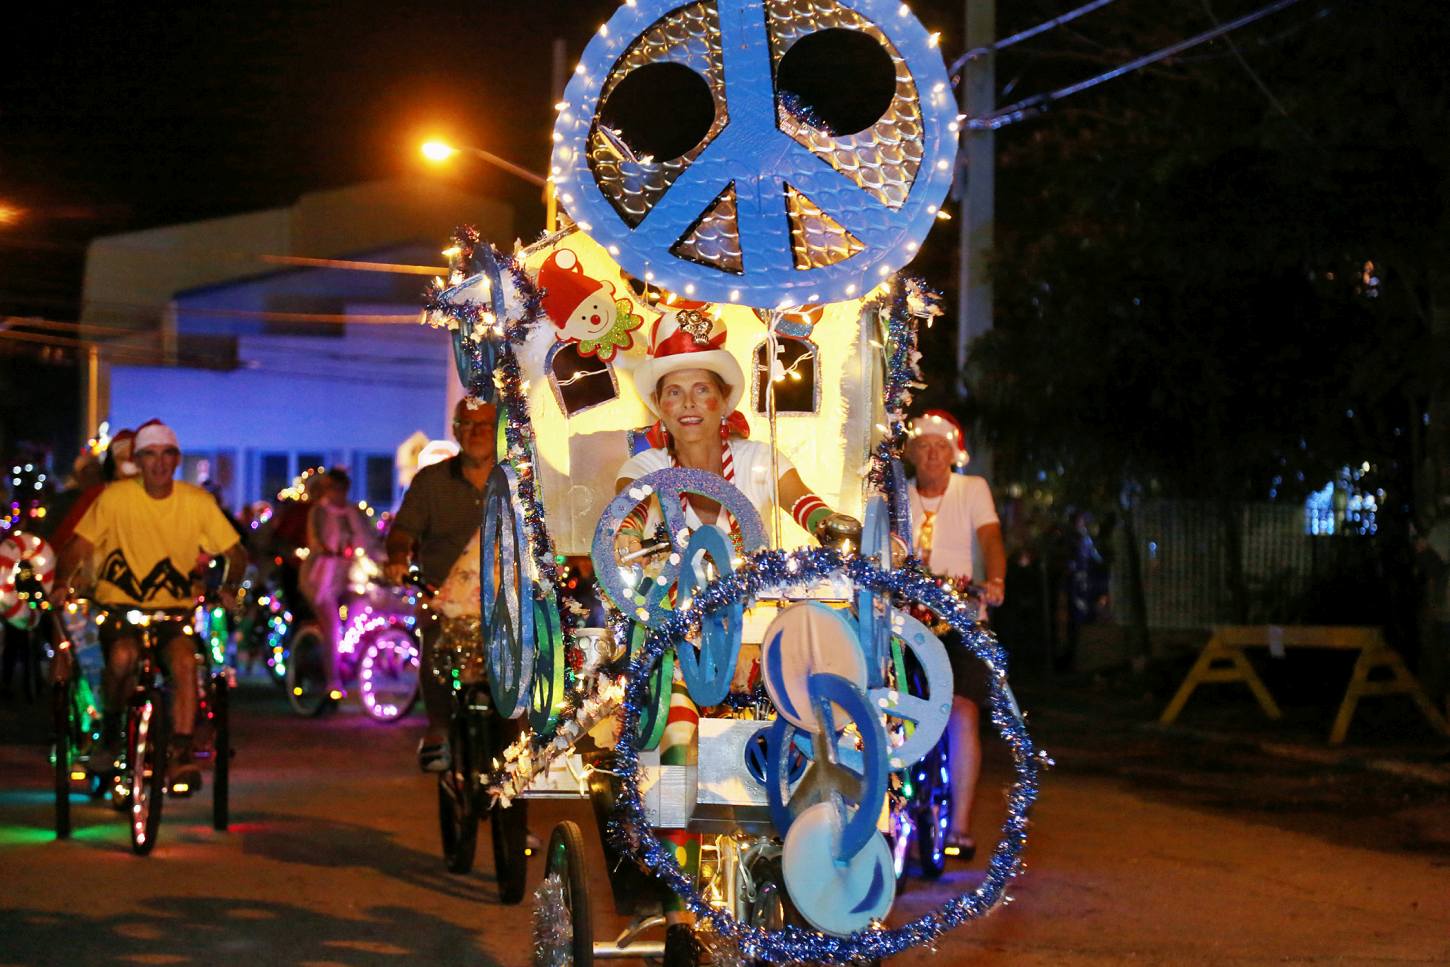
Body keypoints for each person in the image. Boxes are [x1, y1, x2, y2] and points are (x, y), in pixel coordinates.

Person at [611, 310, 858, 966]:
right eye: (673, 392)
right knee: (675, 748)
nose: (689, 404)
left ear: (723, 401)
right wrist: (631, 538)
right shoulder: (642, 466)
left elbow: (804, 501)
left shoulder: (756, 459)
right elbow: (623, 521)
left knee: (824, 744)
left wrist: (833, 522)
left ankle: (816, 874)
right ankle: (678, 899)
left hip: (762, 651)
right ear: (659, 406)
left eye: (702, 391)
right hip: (683, 655)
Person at [50, 419, 246, 792]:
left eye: (166, 455)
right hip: (120, 607)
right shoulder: (114, 498)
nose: (158, 464)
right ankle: (110, 732)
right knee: (122, 658)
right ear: (137, 462)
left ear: (176, 460)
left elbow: (235, 553)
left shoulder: (197, 502)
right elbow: (78, 546)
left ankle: (181, 752)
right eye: (149, 456)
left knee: (186, 663)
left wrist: (229, 586)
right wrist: (62, 582)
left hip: (173, 611)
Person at [905, 409, 1005, 861]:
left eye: (940, 446)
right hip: (907, 621)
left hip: (960, 618)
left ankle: (960, 825)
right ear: (912, 453)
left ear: (954, 453)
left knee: (962, 711)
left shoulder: (972, 490)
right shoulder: (897, 496)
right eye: (923, 445)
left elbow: (990, 539)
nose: (931, 454)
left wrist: (996, 580)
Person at [384, 398, 496, 772]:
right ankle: (437, 730)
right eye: (468, 424)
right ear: (456, 430)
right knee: (433, 640)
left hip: (503, 600)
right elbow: (402, 533)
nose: (477, 432)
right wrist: (398, 558)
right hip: (443, 596)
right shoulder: (431, 482)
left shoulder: (517, 480)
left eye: (485, 425)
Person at [301, 467, 371, 696]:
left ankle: (350, 655)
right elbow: (316, 541)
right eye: (333, 488)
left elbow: (368, 540)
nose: (337, 493)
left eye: (341, 489)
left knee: (364, 604)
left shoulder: (353, 513)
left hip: (347, 575)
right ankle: (332, 680)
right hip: (320, 577)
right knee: (332, 626)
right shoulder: (319, 512)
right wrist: (330, 550)